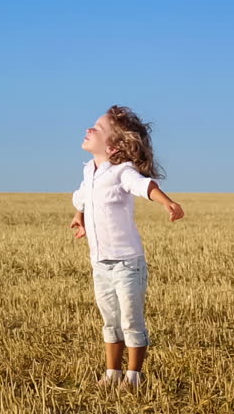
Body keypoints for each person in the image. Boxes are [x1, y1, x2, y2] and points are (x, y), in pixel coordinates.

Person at [70, 105, 185, 390]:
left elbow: (143, 185)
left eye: (96, 128)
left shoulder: (122, 172)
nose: (88, 129)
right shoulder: (89, 171)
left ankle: (133, 377)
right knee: (110, 321)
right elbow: (84, 198)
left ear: (114, 146)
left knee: (131, 321)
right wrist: (79, 217)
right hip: (100, 262)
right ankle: (112, 374)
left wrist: (167, 202)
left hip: (127, 263)